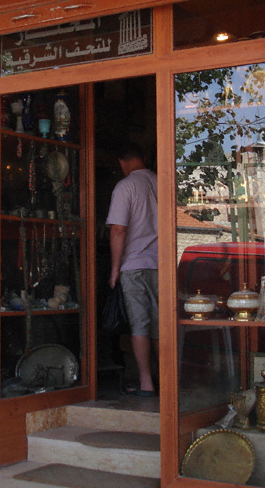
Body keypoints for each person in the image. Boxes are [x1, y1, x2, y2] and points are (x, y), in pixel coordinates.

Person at [106, 144, 158, 396]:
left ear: (122, 163)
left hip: (135, 265)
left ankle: (146, 382)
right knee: (161, 326)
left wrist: (115, 268)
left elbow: (118, 229)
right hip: (162, 265)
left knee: (140, 326)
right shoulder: (162, 182)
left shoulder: (125, 186)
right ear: (145, 158)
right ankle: (165, 377)